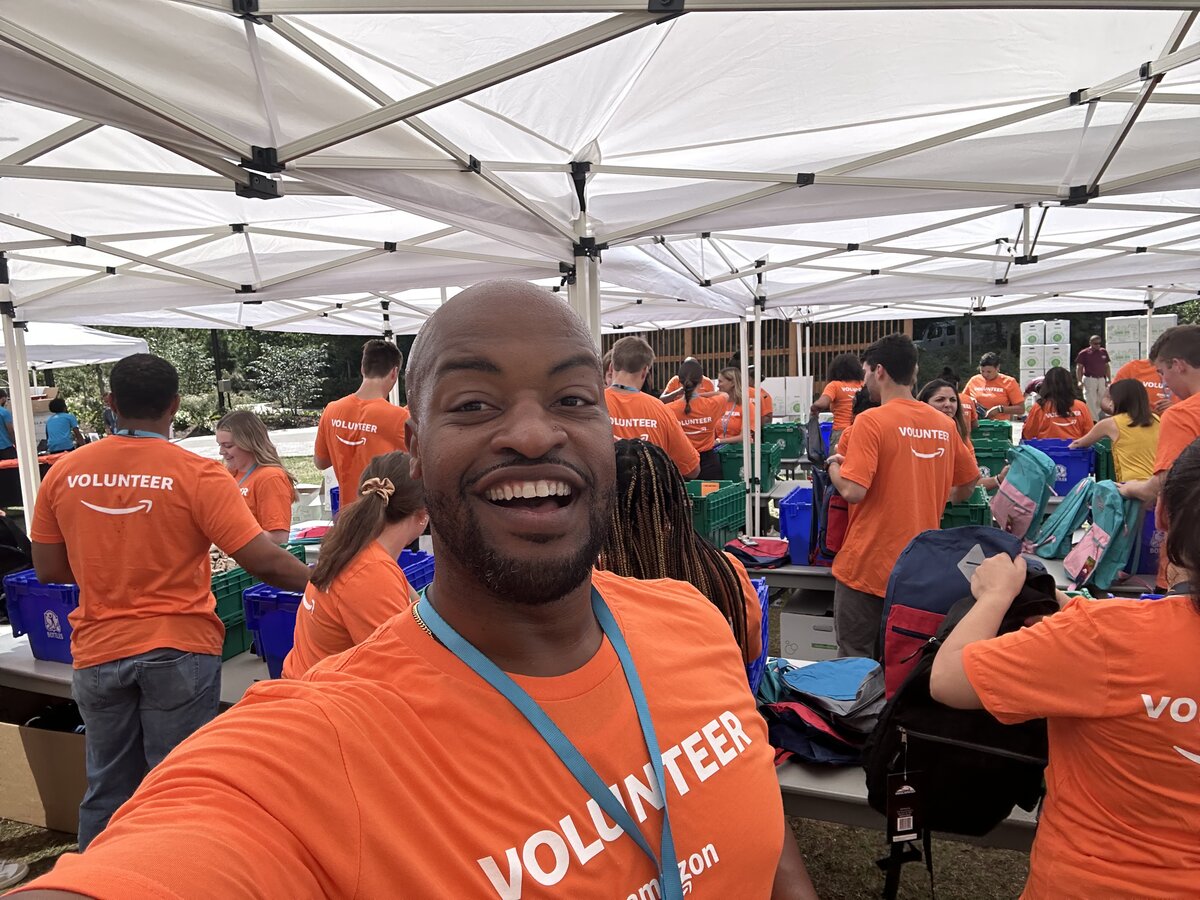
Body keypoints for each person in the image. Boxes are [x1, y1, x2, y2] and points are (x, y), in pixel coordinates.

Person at [17, 282, 816, 899]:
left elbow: (759, 831)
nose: (535, 432)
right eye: (473, 403)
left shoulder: (696, 622)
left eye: (575, 399)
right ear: (418, 454)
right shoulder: (318, 749)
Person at [26, 353, 312, 851]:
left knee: (106, 788)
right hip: (179, 646)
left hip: (98, 648)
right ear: (175, 405)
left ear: (110, 403)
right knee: (174, 785)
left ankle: (97, 879)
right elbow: (265, 561)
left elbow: (49, 569)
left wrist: (108, 567)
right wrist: (324, 580)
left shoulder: (64, 472)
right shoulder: (197, 473)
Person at [929, 438, 1200, 899]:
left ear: (1164, 518)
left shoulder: (1108, 637)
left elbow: (950, 680)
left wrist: (995, 596)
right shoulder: (1104, 633)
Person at [827, 335, 978, 659]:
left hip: (868, 565)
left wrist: (833, 469)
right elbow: (968, 483)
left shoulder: (870, 421)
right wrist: (928, 495)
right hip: (918, 569)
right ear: (915, 371)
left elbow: (853, 491)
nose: (864, 380)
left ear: (879, 371)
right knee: (903, 663)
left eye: (866, 372)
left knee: (854, 664)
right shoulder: (943, 424)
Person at [598, 439, 761, 665]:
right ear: (678, 498)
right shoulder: (725, 569)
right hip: (719, 691)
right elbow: (750, 650)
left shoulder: (594, 584)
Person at [283, 451, 425, 678]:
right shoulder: (371, 573)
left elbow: (415, 608)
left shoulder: (352, 546)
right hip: (327, 701)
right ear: (422, 515)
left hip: (305, 684)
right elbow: (403, 669)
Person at [1120, 325, 1200, 591]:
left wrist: (1133, 488)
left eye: (1162, 372)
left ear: (1178, 365)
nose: (1163, 383)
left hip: (1187, 558)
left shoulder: (1181, 415)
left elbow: (1166, 482)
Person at [313, 339, 409, 507]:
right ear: (394, 372)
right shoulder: (399, 418)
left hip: (348, 516)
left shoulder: (331, 410)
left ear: (362, 368)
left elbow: (321, 462)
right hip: (385, 519)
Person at [607, 335, 700, 479]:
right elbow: (691, 469)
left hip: (600, 497)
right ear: (644, 371)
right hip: (647, 498)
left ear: (611, 367)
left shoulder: (592, 403)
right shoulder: (660, 409)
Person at [215, 410, 298, 544]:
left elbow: (279, 539)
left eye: (228, 446)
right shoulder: (229, 472)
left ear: (249, 443)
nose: (221, 452)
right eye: (220, 445)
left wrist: (229, 529)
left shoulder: (270, 477)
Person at [917, 378, 1005, 491]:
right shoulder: (911, 434)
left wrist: (999, 479)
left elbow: (971, 482)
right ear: (924, 404)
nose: (948, 404)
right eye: (940, 400)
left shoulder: (962, 439)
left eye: (953, 400)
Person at [1069, 378, 1160, 481]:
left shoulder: (1111, 424)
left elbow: (1077, 444)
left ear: (1120, 400)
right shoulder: (1156, 419)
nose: (1110, 403)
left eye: (1111, 399)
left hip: (1131, 485)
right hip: (1155, 483)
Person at [666, 359, 727, 480]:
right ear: (701, 381)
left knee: (685, 498)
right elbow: (724, 395)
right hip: (708, 465)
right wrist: (699, 396)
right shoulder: (713, 404)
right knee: (710, 498)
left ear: (679, 382)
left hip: (681, 466)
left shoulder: (669, 410)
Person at [1021, 366, 1094, 441]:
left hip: (1045, 451)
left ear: (1046, 385)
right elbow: (1089, 434)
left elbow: (1028, 434)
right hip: (1076, 451)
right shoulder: (1081, 406)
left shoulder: (1039, 407)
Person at [810, 353, 863, 451]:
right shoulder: (863, 385)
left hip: (841, 433)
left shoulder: (835, 385)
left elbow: (823, 402)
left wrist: (815, 407)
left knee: (836, 463)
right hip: (861, 431)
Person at [963, 352, 1024, 421]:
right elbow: (962, 400)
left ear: (997, 368)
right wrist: (970, 400)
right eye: (982, 371)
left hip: (999, 426)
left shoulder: (1009, 382)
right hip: (976, 424)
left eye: (989, 372)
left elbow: (1021, 409)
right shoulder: (974, 380)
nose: (985, 375)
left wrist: (1000, 409)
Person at [1107, 356, 1172, 414]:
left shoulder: (1179, 372)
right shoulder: (1133, 368)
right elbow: (1107, 398)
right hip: (1135, 422)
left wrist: (1174, 408)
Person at [714, 366, 756, 444]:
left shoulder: (747, 406)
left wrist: (718, 441)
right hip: (720, 450)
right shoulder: (719, 404)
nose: (718, 385)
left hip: (738, 452)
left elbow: (744, 437)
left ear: (732, 383)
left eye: (720, 381)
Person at [1074, 334, 1111, 419]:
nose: (1097, 345)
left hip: (1101, 378)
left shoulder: (1103, 352)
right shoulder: (1084, 353)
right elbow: (1079, 368)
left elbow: (1107, 366)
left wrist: (1108, 378)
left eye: (1099, 343)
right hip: (1089, 378)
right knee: (1090, 399)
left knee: (1101, 398)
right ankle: (1093, 419)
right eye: (1095, 343)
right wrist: (1079, 381)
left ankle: (1094, 415)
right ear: (1090, 343)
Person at [0, 389, 15, 461]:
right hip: (5, 447)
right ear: (3, 399)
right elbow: (10, 430)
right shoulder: (4, 412)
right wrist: (15, 443)